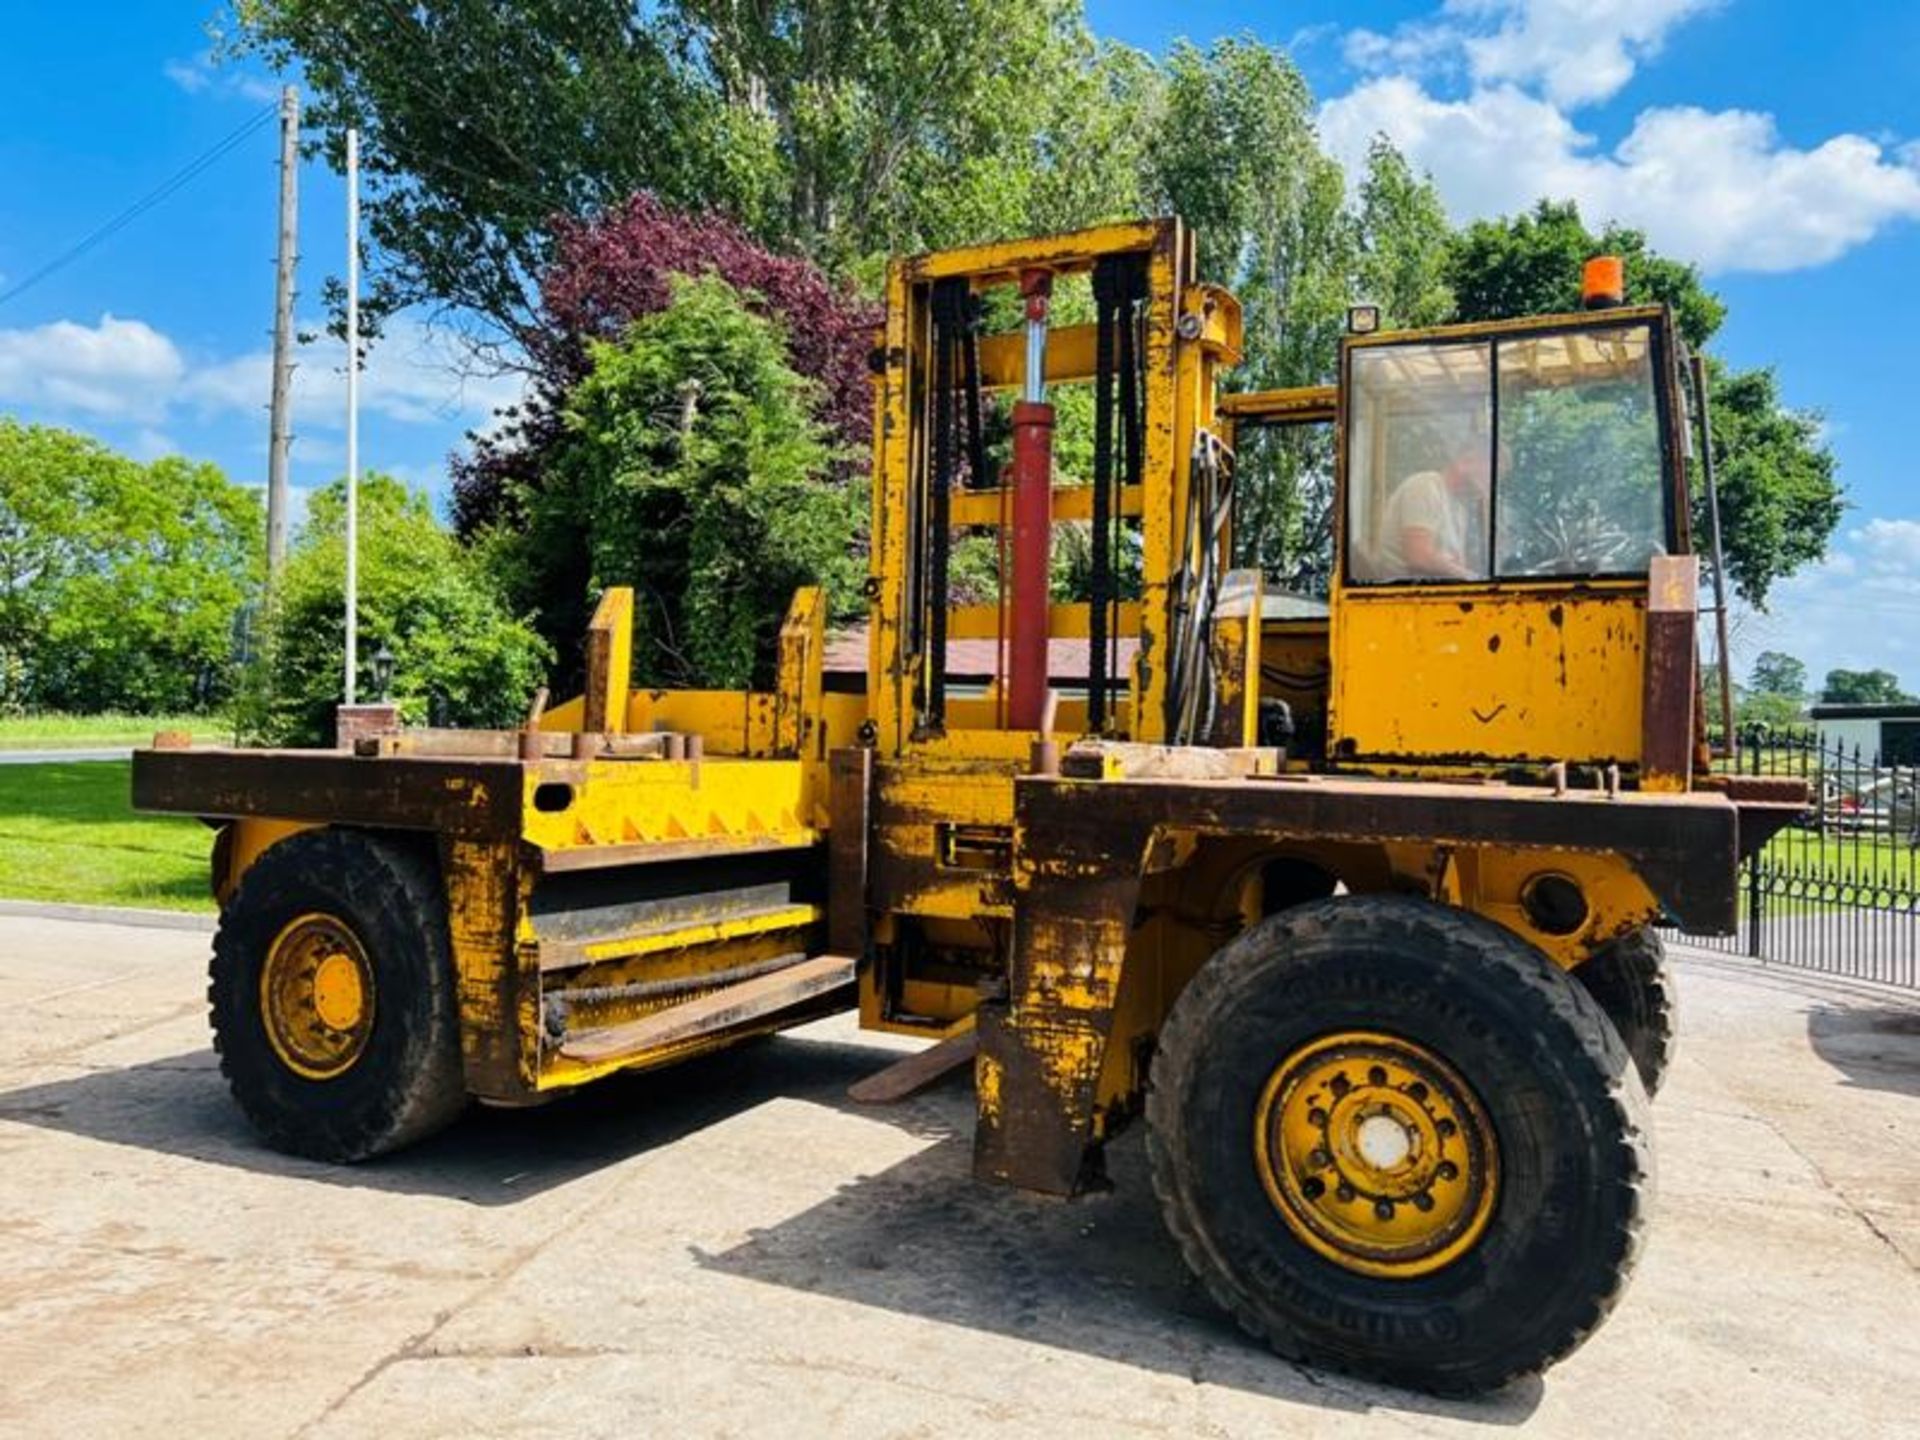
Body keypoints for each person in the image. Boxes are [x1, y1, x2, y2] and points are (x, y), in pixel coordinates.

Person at [1371, 442, 1494, 580]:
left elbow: (1457, 565)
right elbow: (1419, 557)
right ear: (1466, 461)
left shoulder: (1459, 511)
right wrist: (1473, 578)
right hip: (1406, 593)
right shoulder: (1424, 487)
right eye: (1490, 473)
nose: (1490, 483)